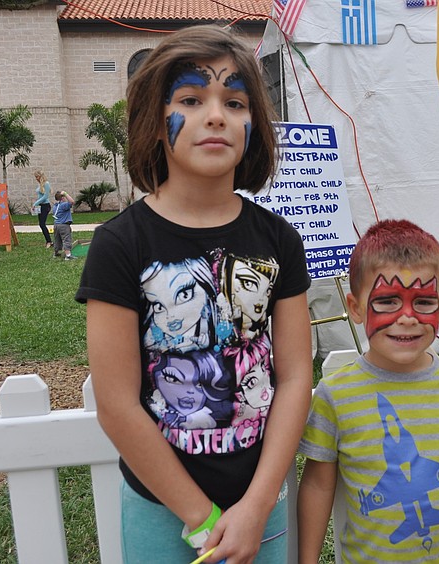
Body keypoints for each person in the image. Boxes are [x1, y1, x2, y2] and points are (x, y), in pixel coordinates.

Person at [74, 25, 312, 564]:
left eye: (234, 101)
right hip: (161, 508)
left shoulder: (279, 239)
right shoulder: (120, 244)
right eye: (190, 98)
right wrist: (200, 518)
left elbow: (296, 376)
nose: (215, 115)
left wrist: (255, 505)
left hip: (262, 504)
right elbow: (115, 402)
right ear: (156, 121)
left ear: (254, 122)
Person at [297, 219, 439, 564]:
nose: (407, 317)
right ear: (355, 308)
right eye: (387, 301)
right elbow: (319, 484)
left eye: (424, 302)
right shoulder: (335, 395)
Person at [52, 190, 75, 260]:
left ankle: (56, 253)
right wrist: (66, 194)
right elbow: (72, 202)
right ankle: (68, 255)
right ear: (62, 198)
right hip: (64, 225)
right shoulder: (64, 205)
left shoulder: (55, 206)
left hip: (56, 225)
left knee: (57, 239)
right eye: (64, 197)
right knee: (66, 239)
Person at [33, 169, 52, 248]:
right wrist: (37, 204)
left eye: (37, 176)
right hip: (40, 206)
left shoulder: (46, 184)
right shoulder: (40, 185)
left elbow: (45, 196)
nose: (36, 178)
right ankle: (48, 240)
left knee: (42, 224)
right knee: (41, 224)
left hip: (45, 205)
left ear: (40, 176)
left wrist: (35, 203)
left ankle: (49, 241)